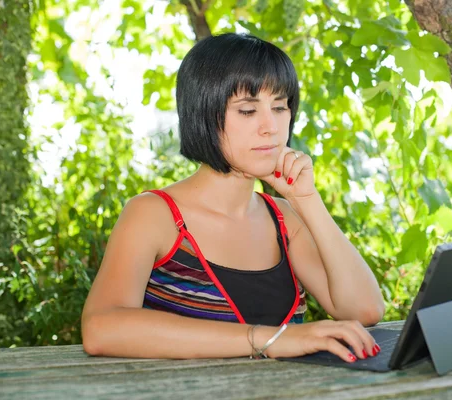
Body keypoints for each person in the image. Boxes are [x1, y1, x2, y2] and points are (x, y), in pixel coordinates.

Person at [81, 32, 385, 363]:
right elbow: (101, 328)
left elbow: (365, 309)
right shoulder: (154, 215)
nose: (271, 126)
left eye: (280, 107)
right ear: (204, 114)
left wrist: (307, 199)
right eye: (247, 110)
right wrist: (269, 339)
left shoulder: (284, 217)